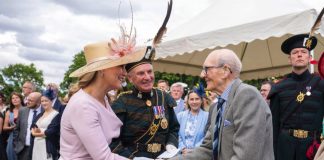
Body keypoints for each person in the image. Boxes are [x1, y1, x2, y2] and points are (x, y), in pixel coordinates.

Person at [170, 49, 274, 160]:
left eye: (206, 69)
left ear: (225, 70)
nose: (202, 74)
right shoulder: (218, 106)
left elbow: (245, 156)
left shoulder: (247, 95)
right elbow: (207, 149)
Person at [59, 36, 146, 159]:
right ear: (102, 69)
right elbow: (104, 157)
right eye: (120, 66)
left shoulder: (102, 98)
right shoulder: (83, 105)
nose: (125, 73)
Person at [110, 47, 180, 159]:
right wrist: (131, 158)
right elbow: (112, 140)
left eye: (149, 72)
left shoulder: (164, 97)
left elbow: (174, 128)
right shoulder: (122, 102)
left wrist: (171, 144)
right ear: (130, 78)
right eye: (141, 73)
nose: (147, 77)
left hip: (163, 156)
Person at [268, 34, 324, 160]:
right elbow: (274, 126)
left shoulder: (321, 84)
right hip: (284, 148)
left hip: (312, 148)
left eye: (303, 52)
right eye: (295, 52)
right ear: (290, 59)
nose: (299, 55)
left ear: (310, 58)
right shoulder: (279, 87)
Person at [30, 88, 61, 160]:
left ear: (51, 101)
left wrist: (35, 133)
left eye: (46, 101)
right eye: (42, 101)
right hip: (36, 146)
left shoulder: (56, 115)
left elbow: (51, 132)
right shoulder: (40, 114)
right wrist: (41, 131)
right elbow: (32, 127)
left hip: (48, 148)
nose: (44, 103)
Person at [177, 90, 208, 155]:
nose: (194, 102)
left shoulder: (207, 116)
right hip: (182, 154)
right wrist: (182, 148)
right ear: (188, 101)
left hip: (199, 154)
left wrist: (193, 150)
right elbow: (177, 134)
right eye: (191, 99)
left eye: (197, 99)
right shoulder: (180, 116)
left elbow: (207, 137)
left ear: (201, 100)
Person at [13, 92, 42, 160]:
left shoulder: (44, 111)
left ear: (38, 102)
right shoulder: (22, 110)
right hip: (23, 149)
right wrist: (16, 146)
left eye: (30, 100)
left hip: (39, 149)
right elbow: (16, 129)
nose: (27, 102)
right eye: (27, 99)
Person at [3, 92, 24, 160]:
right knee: (11, 156)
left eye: (17, 98)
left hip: (23, 137)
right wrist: (12, 127)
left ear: (21, 99)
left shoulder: (27, 109)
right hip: (12, 137)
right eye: (13, 98)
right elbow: (4, 127)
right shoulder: (9, 112)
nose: (14, 100)